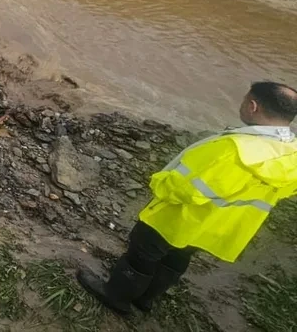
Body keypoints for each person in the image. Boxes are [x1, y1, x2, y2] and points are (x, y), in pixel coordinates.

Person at [78, 81, 297, 315]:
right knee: (176, 259)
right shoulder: (292, 152)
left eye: (244, 100)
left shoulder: (234, 148)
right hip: (218, 225)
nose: (241, 105)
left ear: (253, 106)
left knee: (142, 254)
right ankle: (145, 299)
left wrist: (158, 184)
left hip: (180, 216)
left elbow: (186, 188)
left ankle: (117, 297)